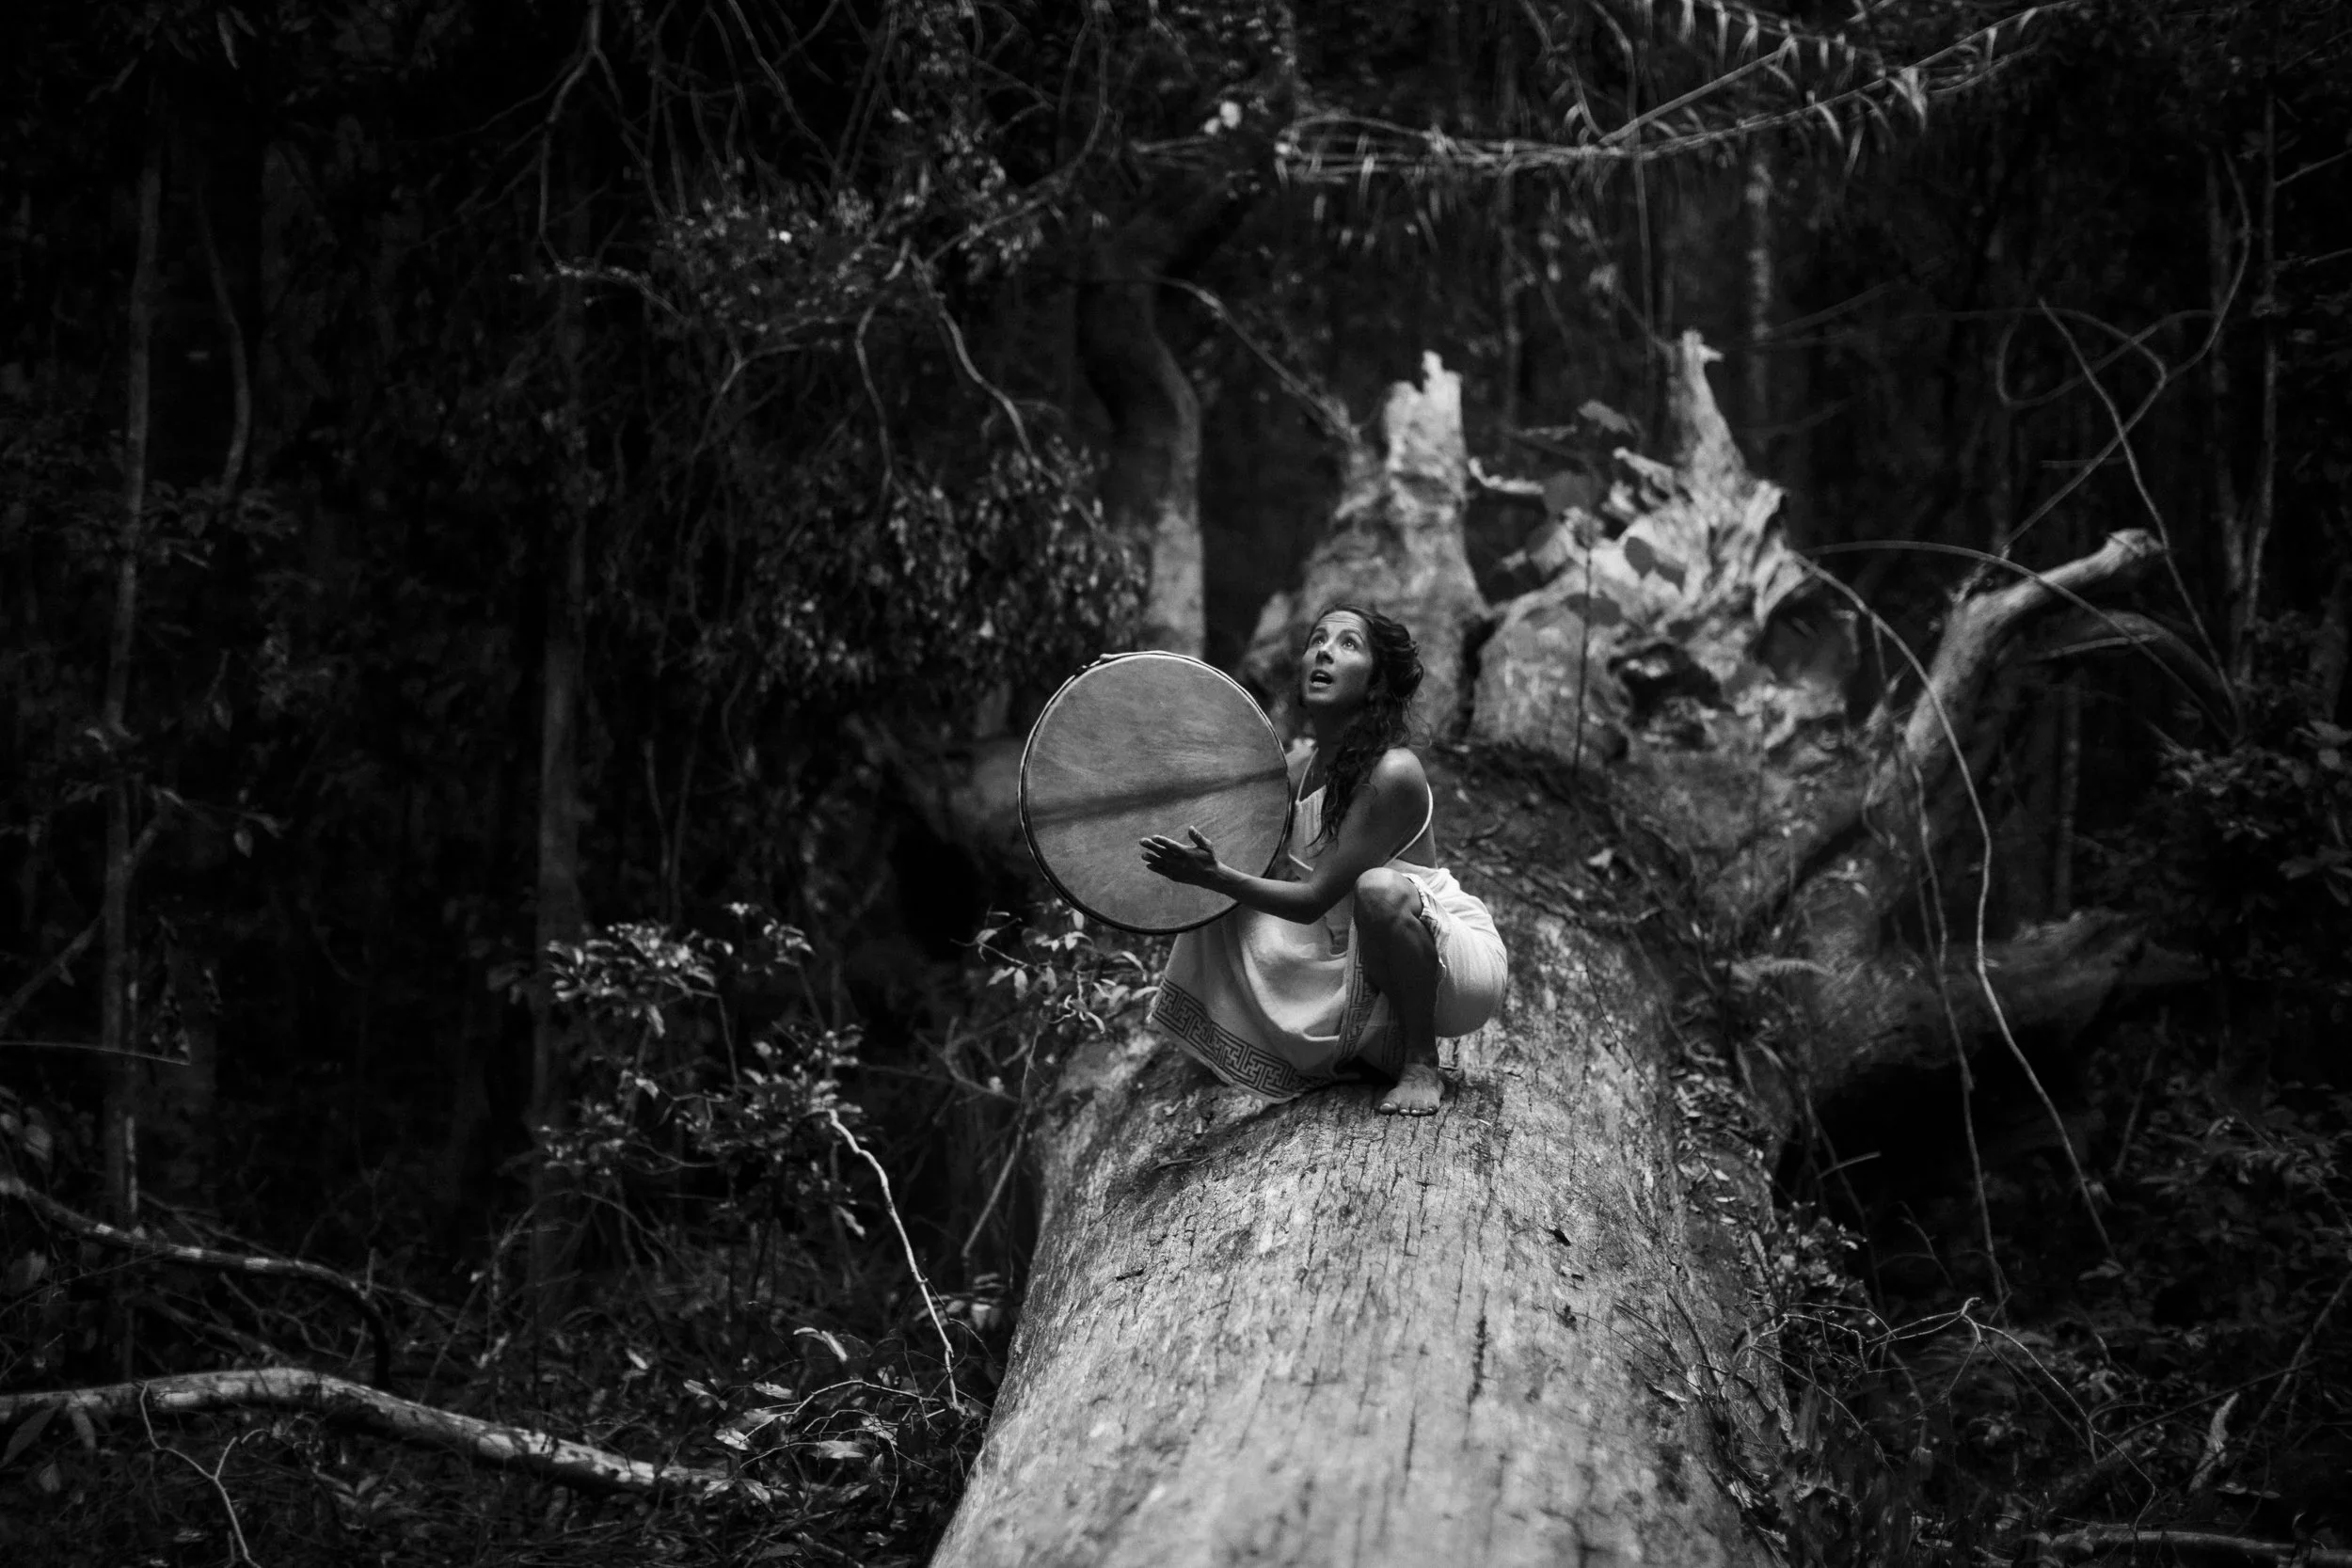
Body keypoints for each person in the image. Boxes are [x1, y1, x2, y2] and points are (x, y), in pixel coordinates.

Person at [1137, 606, 1508, 1116]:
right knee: (1222, 912)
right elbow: (1204, 776)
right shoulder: (1298, 768)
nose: (1325, 651)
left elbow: (1313, 900)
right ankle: (1366, 1046)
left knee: (1376, 889)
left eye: (1348, 643)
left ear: (1376, 683)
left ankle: (1421, 1062)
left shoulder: (1393, 771)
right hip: (1356, 954)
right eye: (1317, 640)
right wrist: (1138, 683)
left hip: (1454, 966)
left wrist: (1219, 877)